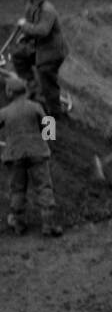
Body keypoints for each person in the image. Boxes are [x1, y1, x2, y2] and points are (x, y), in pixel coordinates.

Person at [0, 73, 60, 236]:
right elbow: (49, 127)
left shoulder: (5, 112)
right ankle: (49, 225)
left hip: (15, 154)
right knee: (44, 187)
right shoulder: (35, 106)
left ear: (10, 93)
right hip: (37, 152)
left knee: (18, 190)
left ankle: (19, 225)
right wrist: (46, 142)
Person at [12, 0, 68, 117]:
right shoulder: (36, 8)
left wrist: (25, 26)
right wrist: (25, 37)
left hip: (52, 53)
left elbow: (43, 31)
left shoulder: (47, 10)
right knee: (19, 55)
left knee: (47, 81)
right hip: (40, 48)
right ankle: (32, 86)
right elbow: (34, 28)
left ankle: (55, 113)